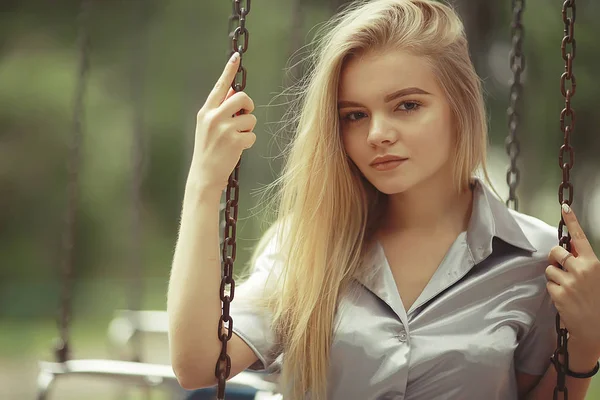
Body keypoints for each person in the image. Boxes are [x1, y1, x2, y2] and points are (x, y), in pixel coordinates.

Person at [167, 0, 600, 399]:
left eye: (407, 106)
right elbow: (199, 364)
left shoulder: (536, 259)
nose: (377, 134)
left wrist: (584, 341)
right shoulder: (307, 245)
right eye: (355, 115)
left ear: (460, 105)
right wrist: (205, 183)